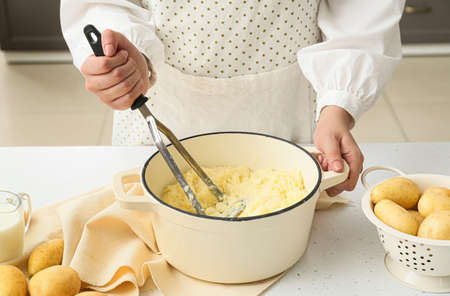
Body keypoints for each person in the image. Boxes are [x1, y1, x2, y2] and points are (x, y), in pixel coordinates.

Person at [61, 0, 405, 196]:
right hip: (156, 112)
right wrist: (122, 55)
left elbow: (361, 9)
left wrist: (340, 104)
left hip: (285, 116)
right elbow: (102, 4)